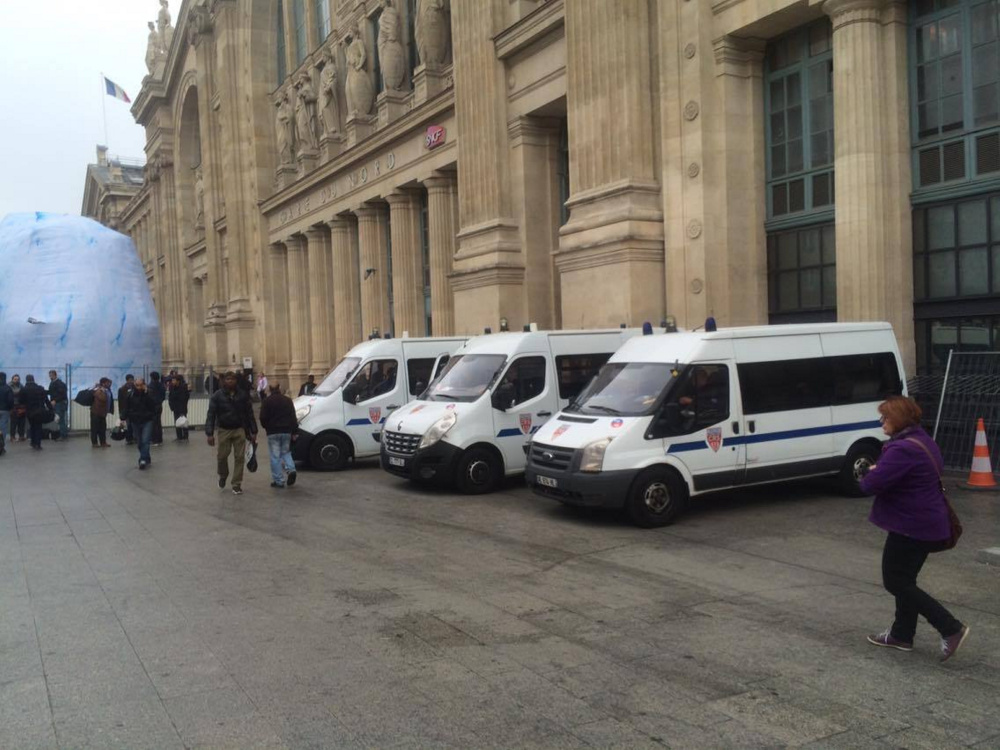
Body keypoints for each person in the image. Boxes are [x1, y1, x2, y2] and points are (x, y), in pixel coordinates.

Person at [860, 395, 970, 662]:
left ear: (898, 419)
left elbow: (869, 485)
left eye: (885, 417)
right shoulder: (924, 441)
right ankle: (901, 634)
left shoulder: (902, 450)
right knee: (905, 581)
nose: (882, 422)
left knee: (895, 581)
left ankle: (950, 628)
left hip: (911, 525)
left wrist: (870, 471)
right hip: (925, 522)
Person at [205, 371, 258, 495]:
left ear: (236, 381)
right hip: (224, 430)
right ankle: (223, 475)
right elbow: (211, 415)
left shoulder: (243, 395)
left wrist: (253, 430)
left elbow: (249, 414)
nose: (230, 381)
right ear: (224, 381)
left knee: (239, 458)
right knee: (222, 456)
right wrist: (209, 433)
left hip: (239, 429)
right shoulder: (217, 396)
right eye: (228, 379)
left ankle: (236, 483)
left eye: (232, 379)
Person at [259, 383, 298, 489]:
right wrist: (294, 431)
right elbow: (293, 416)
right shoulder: (288, 400)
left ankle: (279, 480)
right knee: (286, 452)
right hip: (286, 431)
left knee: (275, 456)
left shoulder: (267, 401)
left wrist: (266, 427)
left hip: (273, 431)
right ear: (280, 389)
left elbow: (262, 417)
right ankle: (291, 469)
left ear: (270, 389)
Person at [125, 377, 158, 469]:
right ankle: (146, 457)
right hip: (135, 420)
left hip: (147, 420)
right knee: (139, 442)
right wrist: (122, 418)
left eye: (140, 385)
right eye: (137, 385)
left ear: (144, 385)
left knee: (145, 440)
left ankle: (142, 459)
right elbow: (126, 407)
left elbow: (153, 404)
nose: (139, 387)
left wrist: (147, 393)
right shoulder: (130, 394)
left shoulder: (149, 393)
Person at [20, 375, 51, 450]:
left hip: (30, 411)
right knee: (38, 427)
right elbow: (46, 399)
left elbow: (21, 401)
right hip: (40, 410)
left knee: (32, 426)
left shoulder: (24, 389)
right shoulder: (40, 388)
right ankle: (38, 443)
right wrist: (50, 408)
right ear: (34, 379)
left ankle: (33, 442)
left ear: (26, 380)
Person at [90, 378, 115, 448]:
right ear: (103, 383)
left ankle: (103, 442)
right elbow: (102, 399)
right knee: (95, 428)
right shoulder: (99, 390)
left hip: (103, 413)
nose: (109, 384)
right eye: (108, 383)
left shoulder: (107, 390)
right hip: (96, 412)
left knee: (103, 428)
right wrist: (103, 391)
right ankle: (94, 443)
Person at [169, 373, 191, 441]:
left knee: (183, 422)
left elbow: (185, 398)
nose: (172, 382)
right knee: (177, 422)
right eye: (172, 380)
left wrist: (182, 409)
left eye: (174, 380)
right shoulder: (172, 388)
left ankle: (185, 436)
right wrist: (171, 406)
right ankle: (179, 436)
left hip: (182, 408)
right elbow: (170, 397)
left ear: (178, 381)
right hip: (175, 408)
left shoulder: (183, 388)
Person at [47, 370, 69, 440]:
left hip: (60, 403)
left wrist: (55, 400)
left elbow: (62, 394)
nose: (50, 377)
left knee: (60, 419)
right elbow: (51, 392)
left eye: (51, 375)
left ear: (55, 375)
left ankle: (63, 435)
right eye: (50, 375)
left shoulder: (59, 383)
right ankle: (63, 434)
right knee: (60, 419)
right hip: (58, 402)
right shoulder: (54, 383)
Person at [148, 371, 167, 447]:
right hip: (159, 405)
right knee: (158, 423)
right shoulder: (161, 385)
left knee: (153, 423)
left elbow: (149, 397)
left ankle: (154, 439)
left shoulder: (151, 386)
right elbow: (163, 396)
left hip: (152, 406)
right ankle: (159, 439)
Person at [118, 374, 136, 445]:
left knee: (134, 425)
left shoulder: (135, 388)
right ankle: (128, 439)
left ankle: (134, 437)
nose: (132, 381)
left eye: (132, 380)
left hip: (134, 410)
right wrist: (121, 412)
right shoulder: (122, 389)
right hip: (126, 410)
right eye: (131, 380)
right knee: (128, 425)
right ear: (127, 380)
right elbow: (120, 401)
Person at [10, 374, 26, 442]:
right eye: (15, 379)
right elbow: (13, 393)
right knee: (13, 422)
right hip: (13, 406)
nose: (16, 380)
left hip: (21, 405)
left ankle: (21, 436)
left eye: (18, 379)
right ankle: (12, 436)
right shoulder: (9, 386)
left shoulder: (21, 385)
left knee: (21, 422)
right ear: (12, 379)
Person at [0, 372, 12, 454]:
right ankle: (1, 445)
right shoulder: (7, 388)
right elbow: (10, 400)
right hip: (4, 410)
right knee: (3, 428)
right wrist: (10, 408)